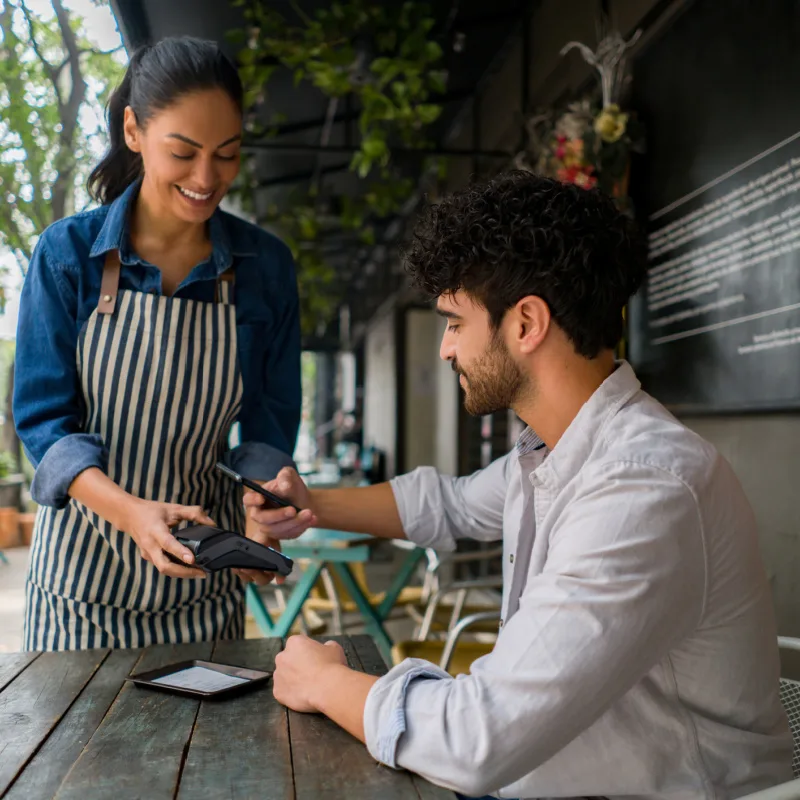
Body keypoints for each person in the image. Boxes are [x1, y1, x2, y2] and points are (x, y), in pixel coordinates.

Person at [243, 173, 793, 799]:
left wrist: (323, 681)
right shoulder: (558, 453)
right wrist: (309, 505)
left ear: (526, 322)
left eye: (454, 323)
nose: (446, 350)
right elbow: (447, 504)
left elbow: (478, 738)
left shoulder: (643, 488)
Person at [14, 37, 301, 652]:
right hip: (79, 593)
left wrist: (263, 508)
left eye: (226, 155)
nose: (207, 178)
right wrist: (130, 513)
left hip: (205, 588)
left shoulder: (266, 269)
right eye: (184, 152)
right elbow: (43, 424)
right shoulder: (67, 257)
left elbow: (265, 429)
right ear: (134, 132)